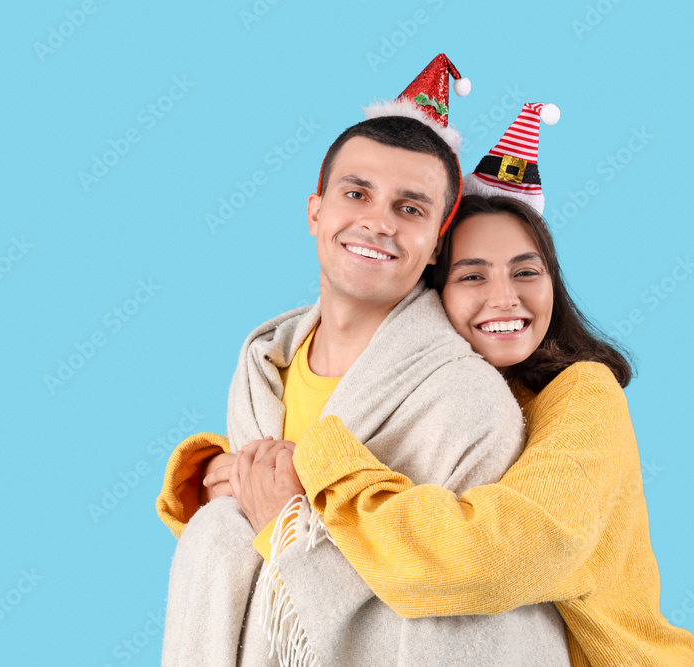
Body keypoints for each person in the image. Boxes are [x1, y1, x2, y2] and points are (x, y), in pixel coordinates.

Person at [198, 105, 694, 665]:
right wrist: (225, 471)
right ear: (435, 290)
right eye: (473, 275)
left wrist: (310, 470)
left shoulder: (577, 396)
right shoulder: (311, 368)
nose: (505, 297)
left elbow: (495, 558)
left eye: (527, 271)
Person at [159, 60, 571, 667]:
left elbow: (464, 597)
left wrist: (288, 521)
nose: (377, 222)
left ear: (435, 245)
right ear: (315, 212)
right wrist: (228, 486)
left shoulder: (465, 402)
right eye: (356, 194)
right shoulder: (262, 372)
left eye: (410, 208)